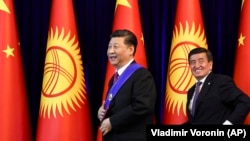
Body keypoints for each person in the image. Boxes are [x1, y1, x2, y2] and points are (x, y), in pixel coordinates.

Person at [97, 29, 157, 140]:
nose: (111, 51)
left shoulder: (142, 76)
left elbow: (142, 106)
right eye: (109, 47)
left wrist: (112, 121)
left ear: (130, 50)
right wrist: (103, 111)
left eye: (115, 47)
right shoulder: (113, 79)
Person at [186, 47, 250, 124]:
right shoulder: (191, 91)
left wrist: (229, 124)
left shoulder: (220, 82)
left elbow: (245, 102)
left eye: (201, 61)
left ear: (210, 64)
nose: (196, 65)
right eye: (193, 62)